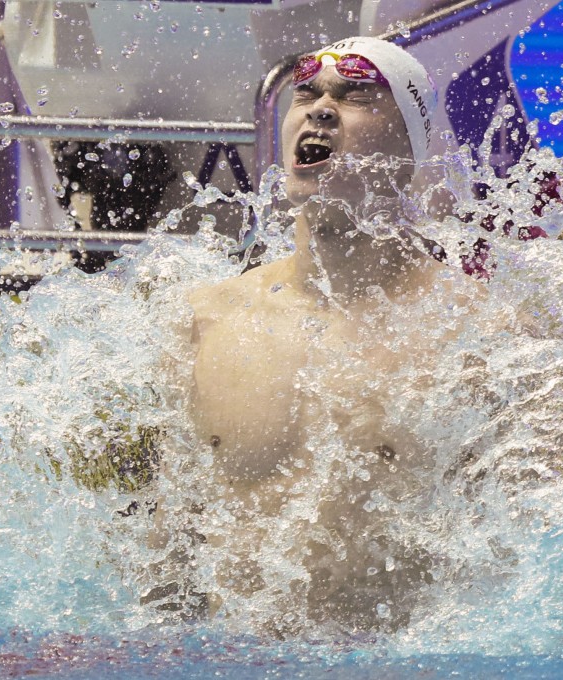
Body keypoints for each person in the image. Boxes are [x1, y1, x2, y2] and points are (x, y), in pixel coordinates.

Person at [177, 37, 487, 632]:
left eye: (356, 97)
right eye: (306, 94)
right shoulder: (205, 319)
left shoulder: (478, 331)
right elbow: (156, 535)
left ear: (414, 149)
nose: (319, 110)